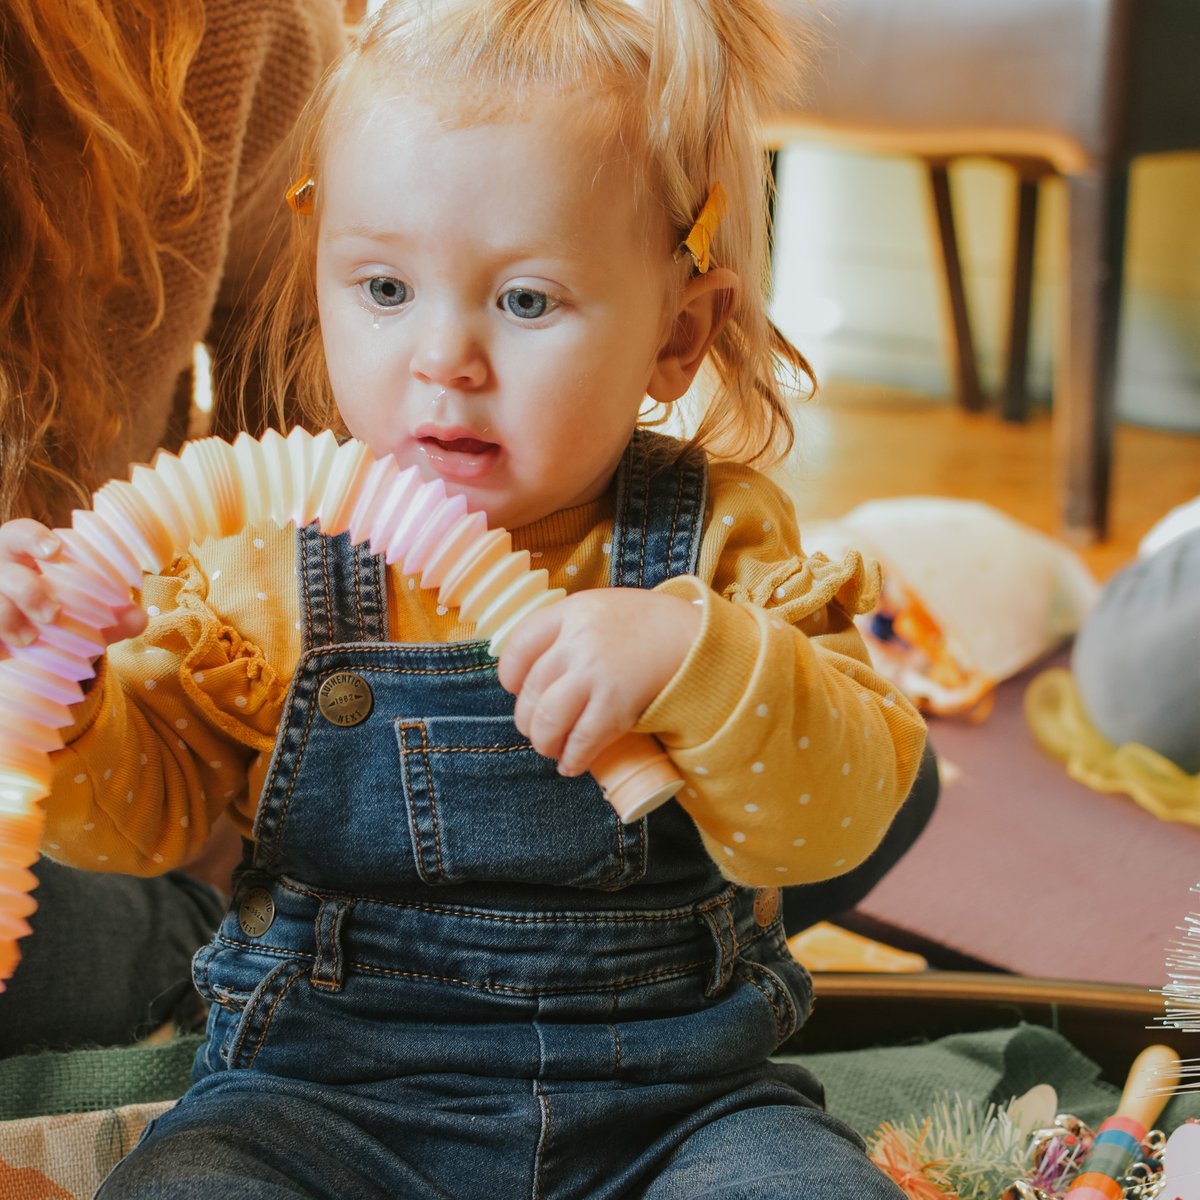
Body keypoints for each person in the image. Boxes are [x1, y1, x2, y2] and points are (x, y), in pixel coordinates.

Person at [0, 0, 927, 1194]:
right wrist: (57, 692)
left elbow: (832, 821)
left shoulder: (720, 545)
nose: (444, 357)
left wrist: (703, 663)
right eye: (383, 288)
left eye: (526, 302)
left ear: (679, 335)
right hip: (321, 1099)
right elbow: (149, 816)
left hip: (672, 1104)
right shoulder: (265, 564)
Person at [0, 0, 346, 1055]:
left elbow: (294, 388)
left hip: (79, 757)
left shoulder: (236, 37)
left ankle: (229, 938)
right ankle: (211, 951)